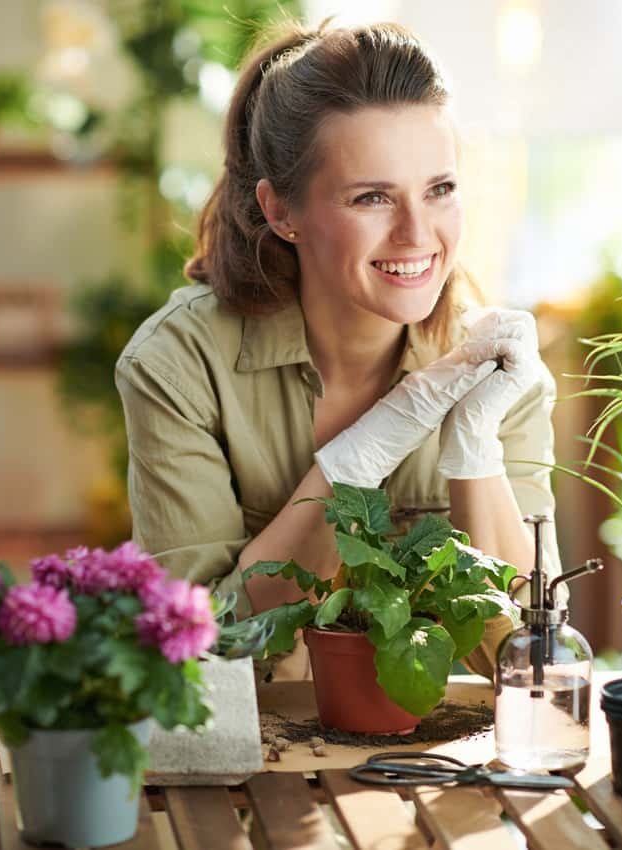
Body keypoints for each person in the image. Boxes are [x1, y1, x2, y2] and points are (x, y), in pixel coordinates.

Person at [115, 20, 560, 678]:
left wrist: (473, 447)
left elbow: (527, 663)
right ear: (281, 212)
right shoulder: (179, 367)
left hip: (443, 760)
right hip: (258, 756)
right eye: (372, 197)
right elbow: (207, 650)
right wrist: (367, 449)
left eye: (439, 189)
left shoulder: (497, 371)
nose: (416, 233)